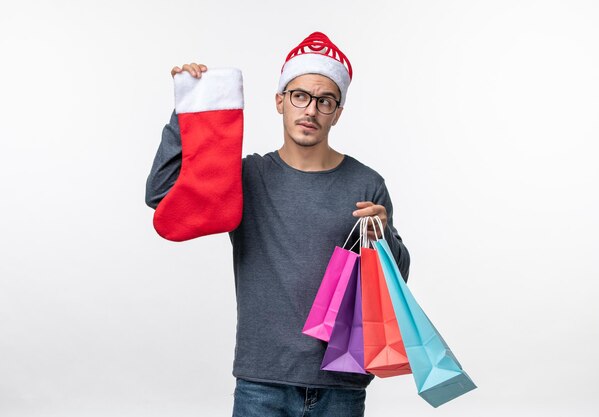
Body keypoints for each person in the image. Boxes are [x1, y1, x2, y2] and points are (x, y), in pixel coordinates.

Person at [145, 32, 410, 417]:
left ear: (337, 112)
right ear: (280, 102)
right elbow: (163, 196)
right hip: (262, 383)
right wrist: (187, 109)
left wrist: (383, 236)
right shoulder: (247, 177)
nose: (311, 110)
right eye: (300, 96)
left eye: (325, 101)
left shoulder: (366, 183)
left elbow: (397, 278)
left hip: (341, 383)